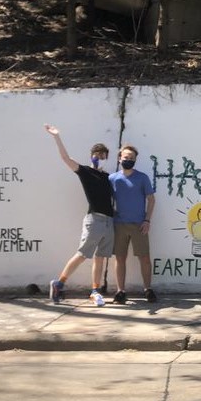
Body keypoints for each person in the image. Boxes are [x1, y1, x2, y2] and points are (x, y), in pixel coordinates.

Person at [44, 124, 113, 307]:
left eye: (103, 156)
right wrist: (57, 137)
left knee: (101, 257)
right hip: (94, 219)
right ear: (92, 156)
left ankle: (95, 291)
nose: (100, 158)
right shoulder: (85, 172)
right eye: (97, 155)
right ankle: (59, 283)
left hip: (109, 221)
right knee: (83, 254)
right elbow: (66, 158)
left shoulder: (108, 177)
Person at [110, 144, 157, 303]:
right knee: (120, 258)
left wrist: (147, 220)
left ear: (135, 160)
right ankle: (120, 291)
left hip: (139, 225)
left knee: (144, 257)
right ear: (119, 158)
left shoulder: (142, 177)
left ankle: (148, 289)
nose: (128, 160)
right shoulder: (112, 179)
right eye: (125, 157)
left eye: (131, 158)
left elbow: (151, 199)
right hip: (119, 225)